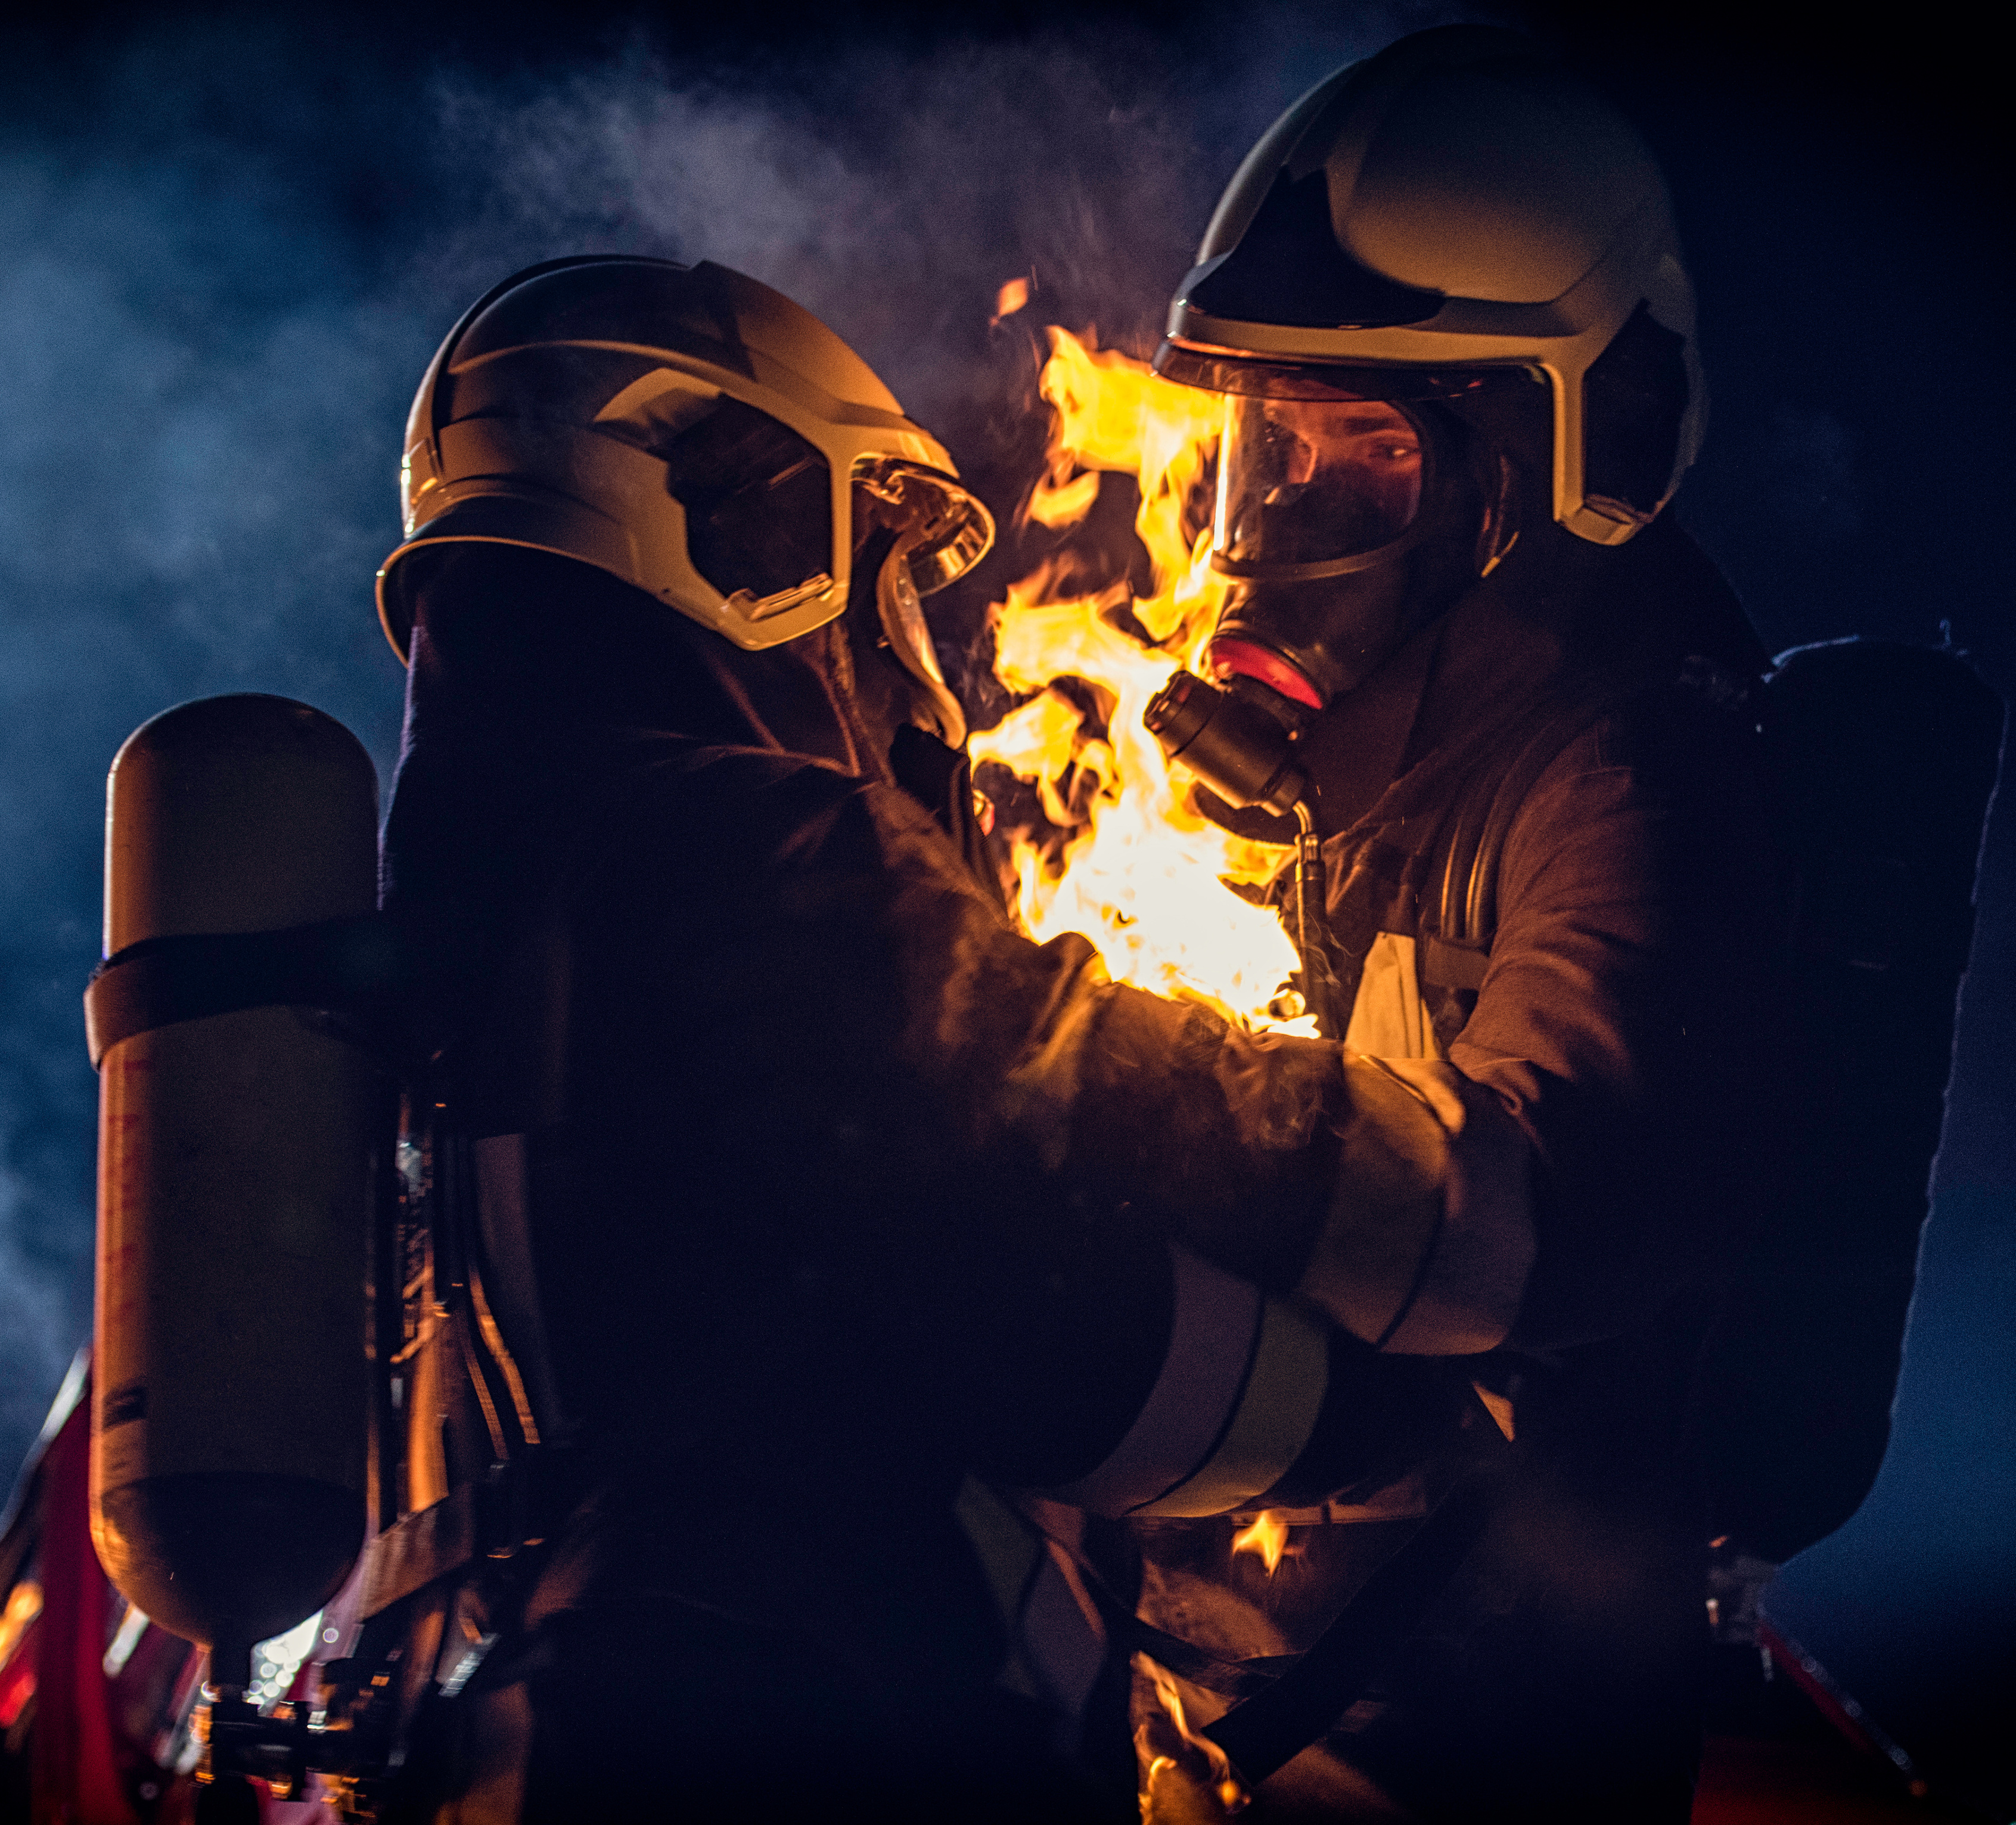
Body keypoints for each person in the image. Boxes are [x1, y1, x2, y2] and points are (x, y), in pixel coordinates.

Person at [356, 254, 1540, 1824]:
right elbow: (1034, 1279)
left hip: (540, 1725)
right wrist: (1421, 1339)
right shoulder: (764, 842)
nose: (884, 628)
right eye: (874, 557)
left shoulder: (449, 932)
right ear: (738, 508)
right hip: (816, 1703)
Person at [1113, 25, 1801, 1823]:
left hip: (1466, 1727)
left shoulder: (1635, 769)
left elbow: (1556, 1216)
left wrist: (1113, 1087)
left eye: (1359, 459)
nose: (1272, 530)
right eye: (1263, 453)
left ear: (1553, 455)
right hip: (1234, 1673)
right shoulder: (1384, 757)